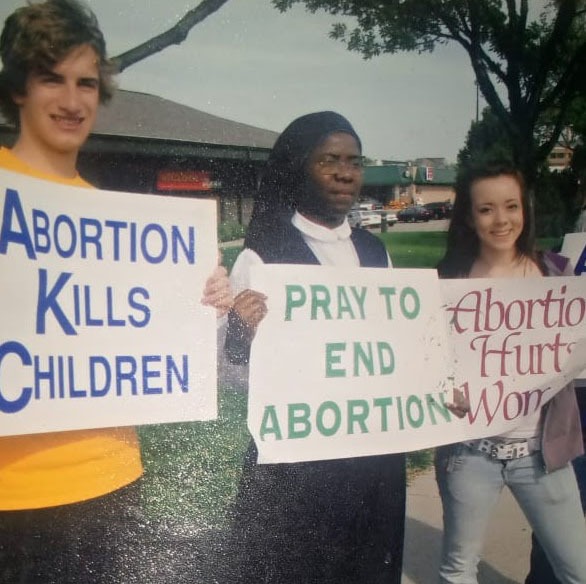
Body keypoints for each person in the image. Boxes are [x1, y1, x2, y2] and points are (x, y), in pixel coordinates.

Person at [0, 2, 231, 583]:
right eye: (51, 78)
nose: (72, 101)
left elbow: (148, 335)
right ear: (18, 89)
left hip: (113, 476)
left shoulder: (115, 223)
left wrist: (201, 295)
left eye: (86, 83)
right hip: (14, 494)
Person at [224, 111, 406, 584]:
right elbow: (232, 373)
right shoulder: (262, 252)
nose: (346, 172)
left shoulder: (374, 251)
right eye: (330, 161)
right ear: (300, 168)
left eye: (354, 161)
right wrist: (243, 333)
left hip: (372, 457)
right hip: (298, 467)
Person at [435, 161, 586, 584]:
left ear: (525, 209)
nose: (501, 220)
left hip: (543, 454)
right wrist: (444, 390)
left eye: (511, 206)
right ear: (468, 215)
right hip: (470, 455)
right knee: (458, 571)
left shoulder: (558, 274)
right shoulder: (446, 281)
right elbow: (427, 362)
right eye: (486, 210)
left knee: (578, 569)